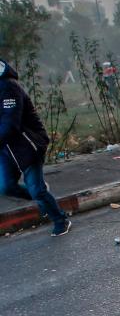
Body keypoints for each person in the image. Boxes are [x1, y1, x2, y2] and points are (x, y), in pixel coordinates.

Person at [0, 59, 71, 236]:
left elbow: (10, 123)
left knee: (36, 189)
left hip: (27, 145)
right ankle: (43, 199)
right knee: (6, 187)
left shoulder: (8, 87)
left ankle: (61, 219)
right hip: (6, 148)